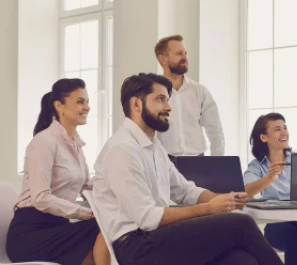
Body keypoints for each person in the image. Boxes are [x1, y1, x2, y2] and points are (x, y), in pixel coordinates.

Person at [91, 73, 283, 265]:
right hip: (137, 248)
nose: (168, 107)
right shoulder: (122, 149)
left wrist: (224, 200)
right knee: (242, 224)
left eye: (167, 99)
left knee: (241, 260)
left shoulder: (154, 146)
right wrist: (208, 208)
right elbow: (148, 218)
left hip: (155, 238)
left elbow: (185, 191)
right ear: (136, 104)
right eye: (160, 99)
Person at [6, 78, 111, 265]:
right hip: (30, 234)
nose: (87, 107)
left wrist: (118, 197)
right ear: (59, 105)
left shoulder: (76, 145)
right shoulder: (44, 142)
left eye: (87, 101)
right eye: (80, 101)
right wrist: (87, 213)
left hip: (59, 227)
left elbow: (88, 187)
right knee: (100, 226)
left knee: (110, 225)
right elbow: (41, 198)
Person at [243, 113, 297, 265]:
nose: (284, 132)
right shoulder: (257, 165)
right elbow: (246, 191)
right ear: (264, 138)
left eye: (285, 127)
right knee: (296, 242)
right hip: (277, 224)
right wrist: (269, 177)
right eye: (277, 129)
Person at [153, 34, 225, 164]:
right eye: (179, 53)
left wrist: (216, 164)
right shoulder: (152, 93)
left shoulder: (199, 91)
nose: (185, 58)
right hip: (165, 164)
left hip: (198, 165)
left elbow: (215, 131)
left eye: (185, 53)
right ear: (163, 59)